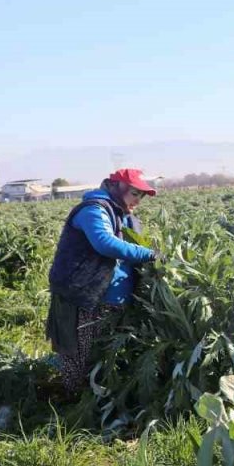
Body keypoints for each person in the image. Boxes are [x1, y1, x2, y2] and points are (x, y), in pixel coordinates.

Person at [45, 168, 158, 398]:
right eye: (134, 193)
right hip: (86, 298)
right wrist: (150, 254)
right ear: (116, 187)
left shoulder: (122, 214)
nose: (138, 200)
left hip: (112, 299)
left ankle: (100, 403)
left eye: (142, 195)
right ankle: (73, 407)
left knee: (106, 357)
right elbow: (105, 243)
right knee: (80, 355)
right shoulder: (94, 210)